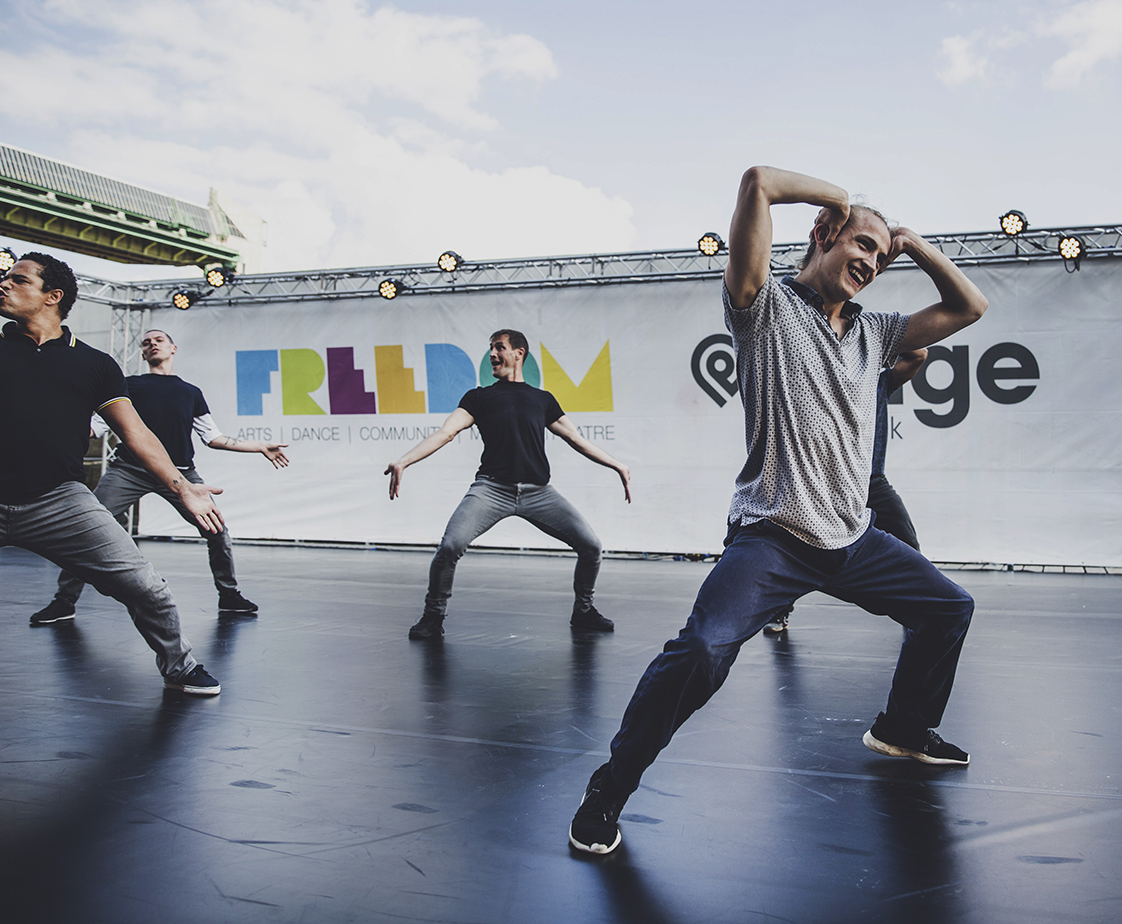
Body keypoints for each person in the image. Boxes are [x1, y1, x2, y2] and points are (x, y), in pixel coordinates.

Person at [569, 167, 987, 855]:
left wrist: (910, 243)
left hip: (851, 539)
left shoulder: (875, 333)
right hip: (773, 535)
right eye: (861, 246)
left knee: (948, 608)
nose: (871, 263)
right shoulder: (763, 308)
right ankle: (608, 790)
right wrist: (836, 199)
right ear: (823, 235)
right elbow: (758, 182)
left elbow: (968, 308)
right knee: (702, 650)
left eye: (881, 258)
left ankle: (902, 729)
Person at [0, 252, 225, 693]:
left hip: (58, 501)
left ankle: (180, 666)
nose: (3, 285)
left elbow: (137, 434)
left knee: (147, 587)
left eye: (18, 280)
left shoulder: (94, 365)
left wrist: (183, 487)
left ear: (52, 296)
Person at [29, 328, 288, 625]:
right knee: (86, 529)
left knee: (217, 531)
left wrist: (259, 446)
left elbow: (213, 437)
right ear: (143, 353)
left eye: (159, 340)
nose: (152, 344)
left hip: (181, 475)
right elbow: (95, 427)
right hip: (129, 471)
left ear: (173, 348)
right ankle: (64, 601)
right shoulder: (127, 385)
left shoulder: (191, 393)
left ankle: (229, 595)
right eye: (146, 343)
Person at [385, 329, 632, 640]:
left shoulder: (542, 400)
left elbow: (577, 440)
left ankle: (583, 611)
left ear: (519, 354)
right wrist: (404, 460)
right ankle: (432, 617)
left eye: (499, 348)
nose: (492, 354)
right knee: (449, 546)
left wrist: (617, 465)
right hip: (491, 489)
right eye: (490, 348)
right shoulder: (479, 398)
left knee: (591, 546)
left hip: (538, 492)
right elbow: (445, 433)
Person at [763, 348, 927, 633]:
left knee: (909, 547)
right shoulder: (814, 381)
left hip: (870, 482)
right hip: (822, 485)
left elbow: (918, 355)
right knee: (794, 550)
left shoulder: (876, 381)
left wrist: (874, 340)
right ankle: (779, 610)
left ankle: (920, 610)